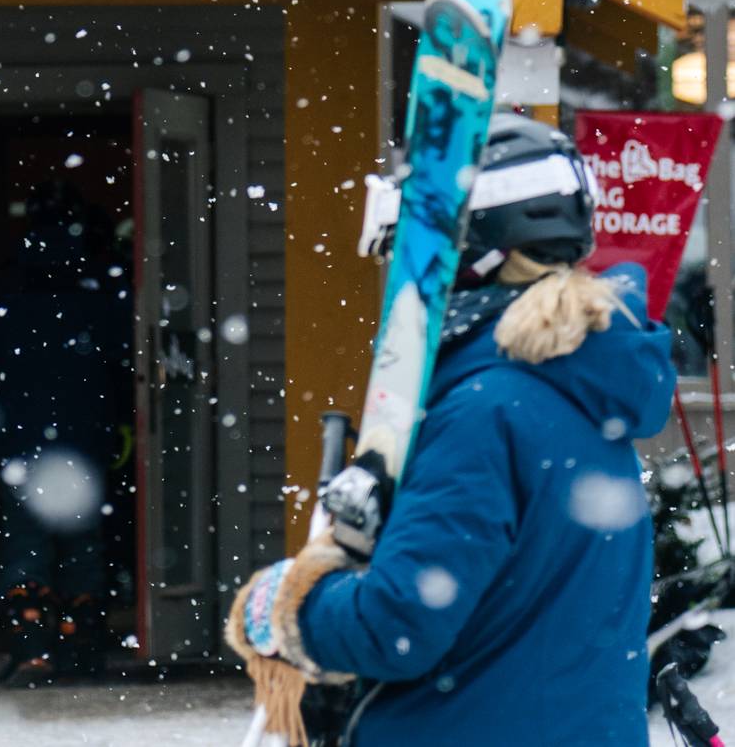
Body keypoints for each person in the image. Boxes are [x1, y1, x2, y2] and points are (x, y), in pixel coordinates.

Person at [228, 114, 677, 745]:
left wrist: (287, 604)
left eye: (409, 255)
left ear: (466, 254)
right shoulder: (582, 391)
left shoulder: (483, 412)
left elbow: (399, 626)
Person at [0, 180, 133, 683]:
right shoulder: (101, 286)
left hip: (19, 439)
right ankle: (81, 644)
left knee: (24, 542)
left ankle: (33, 646)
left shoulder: (0, 287)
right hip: (86, 434)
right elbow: (123, 363)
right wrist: (121, 423)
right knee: (83, 541)